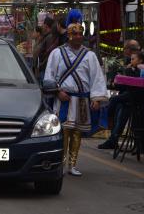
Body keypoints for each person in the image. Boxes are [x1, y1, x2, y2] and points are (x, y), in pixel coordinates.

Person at [43, 23, 108, 176]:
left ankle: (72, 165)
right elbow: (49, 76)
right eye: (75, 33)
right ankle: (61, 163)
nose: (79, 36)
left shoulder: (90, 55)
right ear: (69, 35)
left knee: (77, 133)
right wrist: (57, 91)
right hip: (64, 99)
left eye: (80, 33)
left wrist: (96, 98)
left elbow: (97, 78)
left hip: (82, 101)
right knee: (63, 132)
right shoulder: (57, 53)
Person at [99, 50, 144, 149]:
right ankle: (113, 138)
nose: (131, 61)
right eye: (131, 59)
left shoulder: (140, 70)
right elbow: (124, 86)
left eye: (133, 59)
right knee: (119, 105)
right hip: (130, 97)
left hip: (136, 98)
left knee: (116, 101)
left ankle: (110, 128)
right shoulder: (131, 69)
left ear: (140, 60)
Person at [35, 17, 58, 83]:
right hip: (43, 68)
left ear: (46, 26)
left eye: (43, 25)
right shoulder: (46, 36)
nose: (42, 26)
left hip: (44, 69)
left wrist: (42, 65)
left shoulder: (49, 37)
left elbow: (49, 54)